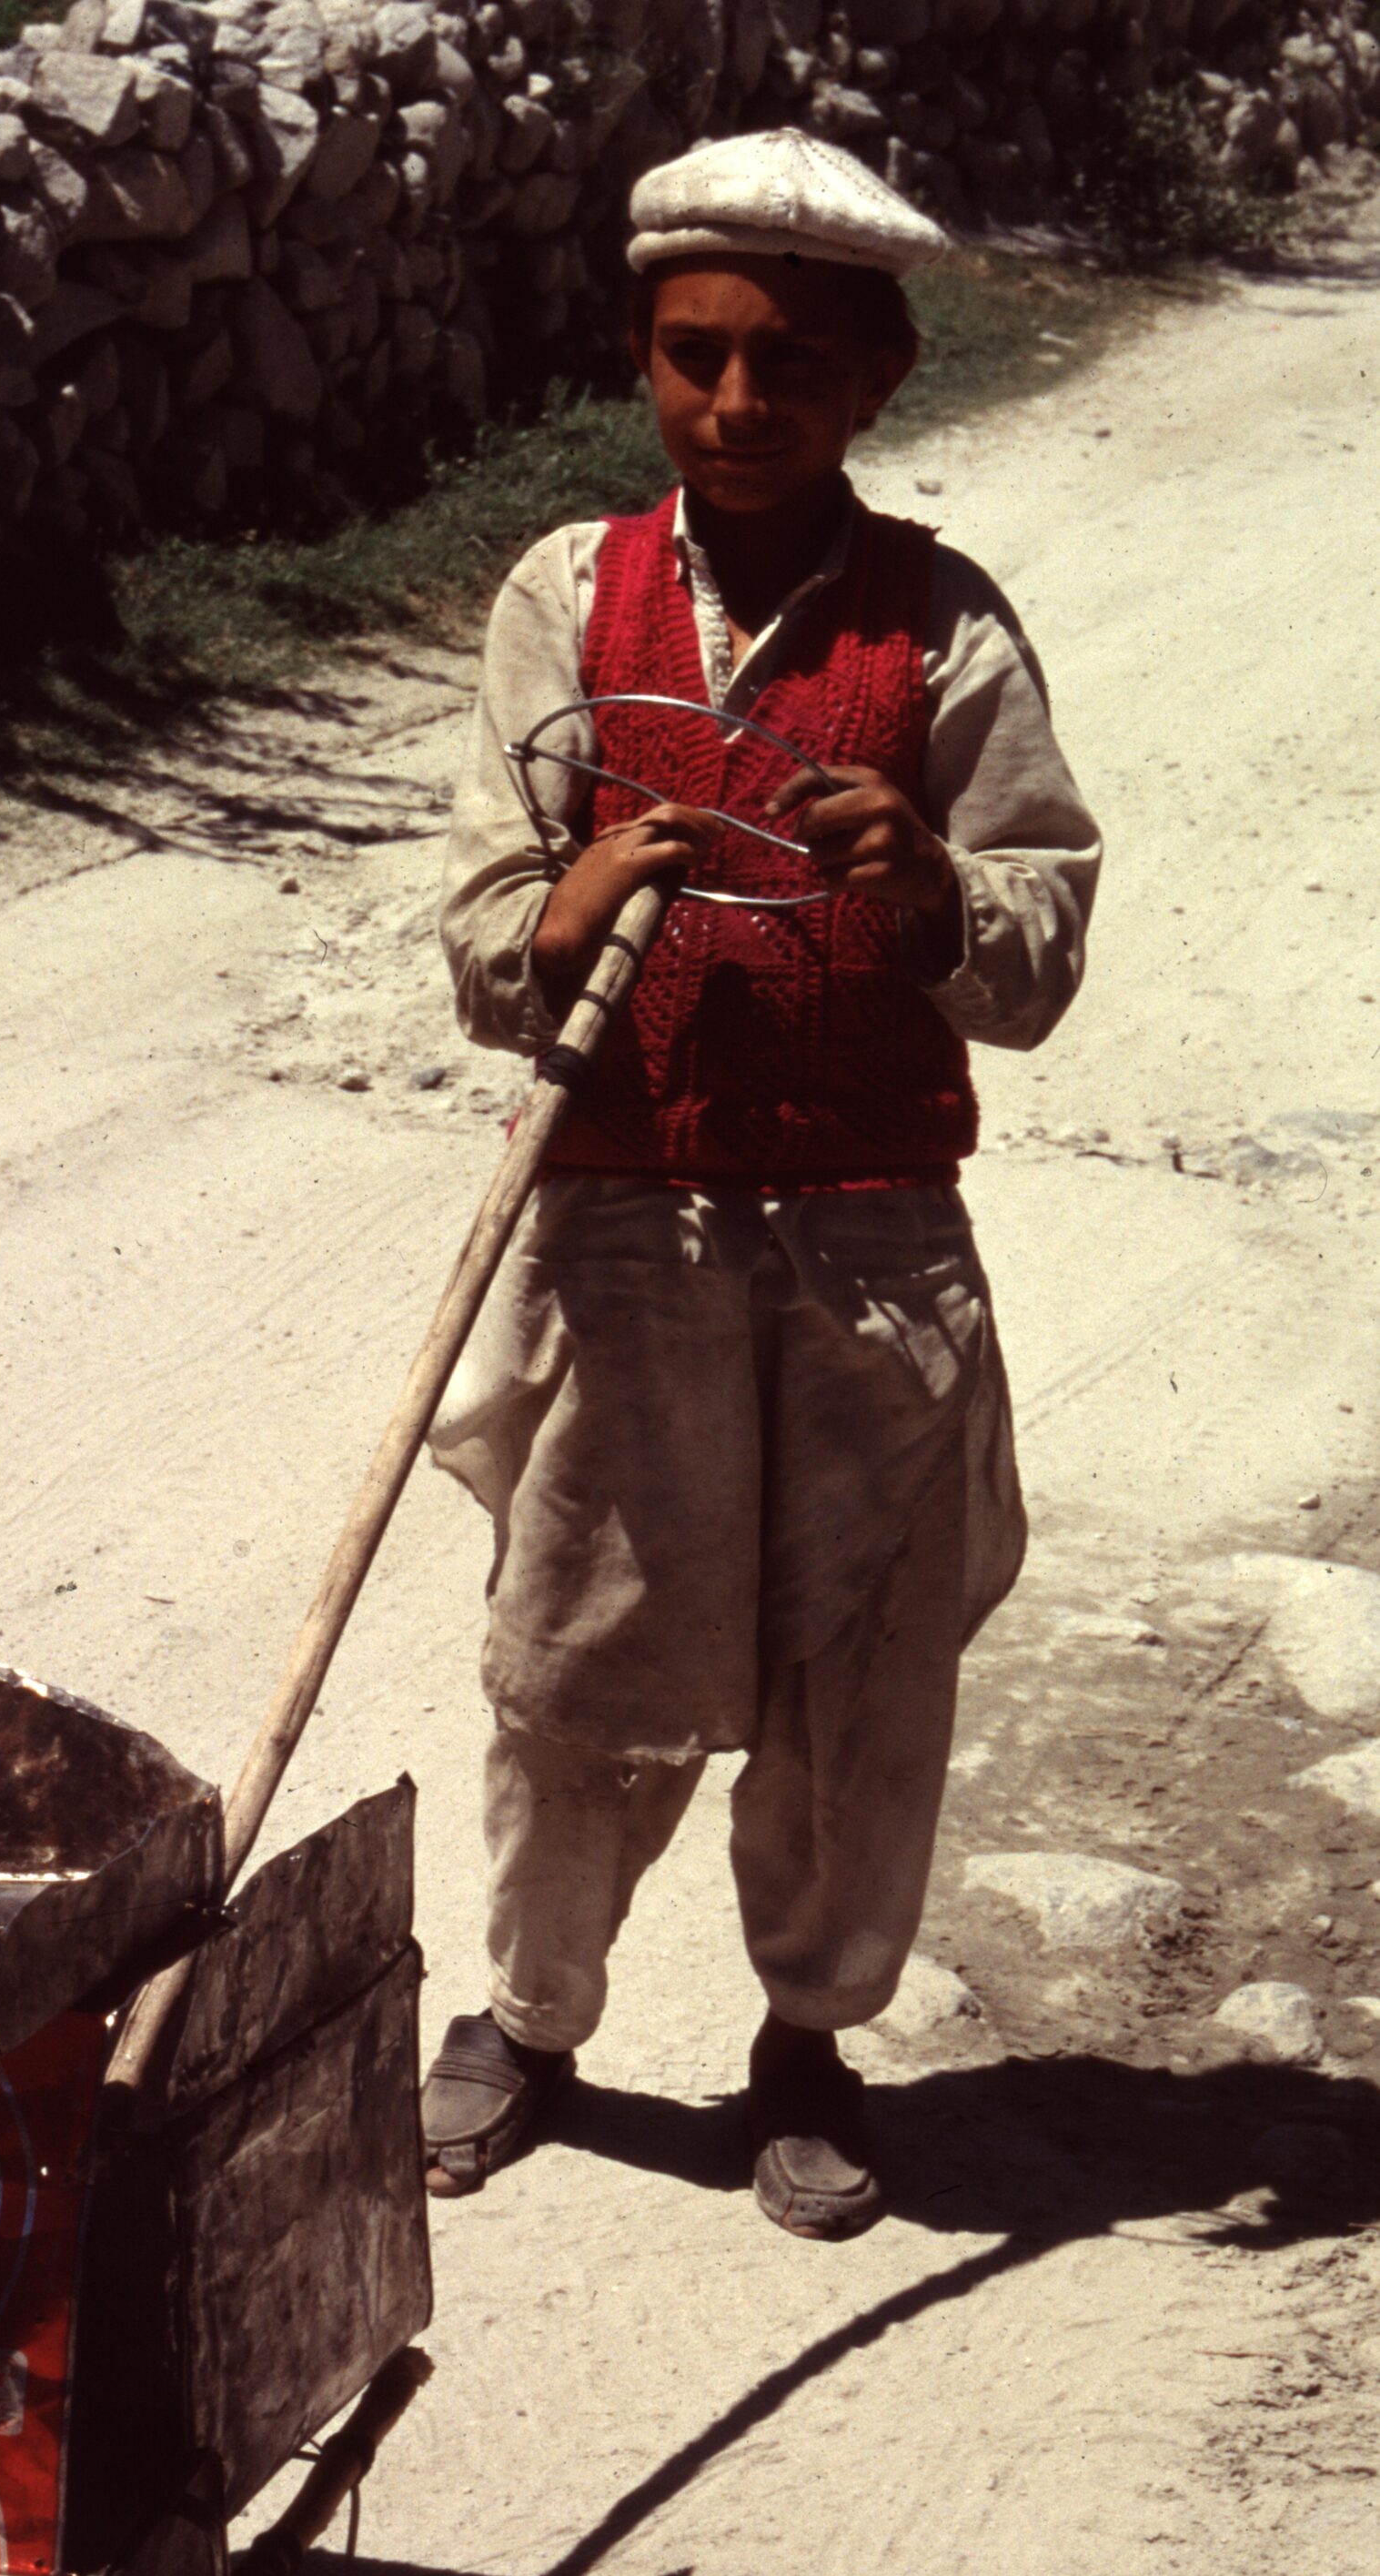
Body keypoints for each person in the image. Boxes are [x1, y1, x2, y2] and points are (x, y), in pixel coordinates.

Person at [420, 126, 1101, 2238]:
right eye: (691, 357)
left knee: (858, 1671)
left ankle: (807, 2045)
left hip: (872, 1250)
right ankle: (528, 2023)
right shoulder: (565, 591)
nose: (735, 403)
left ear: (876, 379)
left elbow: (1038, 937)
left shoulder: (945, 628)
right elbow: (473, 921)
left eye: (788, 363)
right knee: (573, 1655)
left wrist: (927, 898)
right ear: (641, 361)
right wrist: (563, 904)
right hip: (620, 1224)